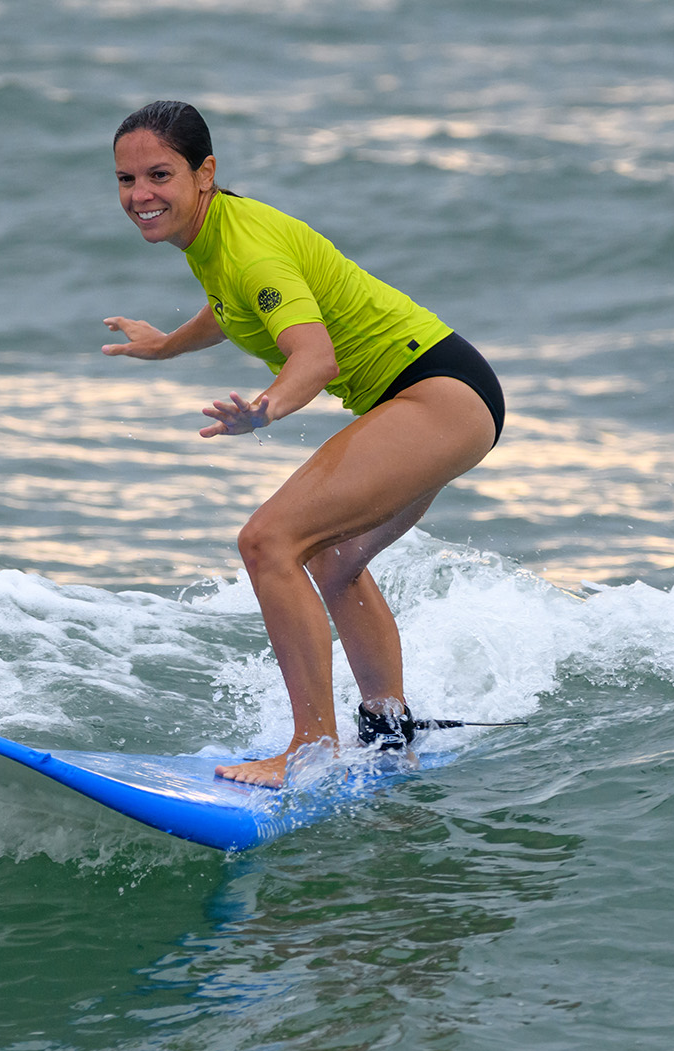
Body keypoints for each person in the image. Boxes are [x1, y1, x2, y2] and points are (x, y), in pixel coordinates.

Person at [102, 100, 505, 788]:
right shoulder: (219, 233)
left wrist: (264, 412)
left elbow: (314, 360)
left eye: (159, 175)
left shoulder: (246, 246)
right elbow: (232, 307)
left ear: (206, 173)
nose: (140, 195)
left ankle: (308, 747)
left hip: (436, 395)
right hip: (449, 393)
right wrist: (168, 344)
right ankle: (387, 728)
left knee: (268, 542)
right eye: (125, 179)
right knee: (332, 556)